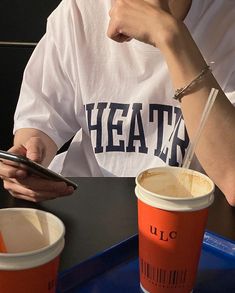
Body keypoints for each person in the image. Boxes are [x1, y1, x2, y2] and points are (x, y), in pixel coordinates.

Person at [0, 0, 235, 204]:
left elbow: (232, 181)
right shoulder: (78, 10)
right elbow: (42, 120)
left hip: (186, 219)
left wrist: (170, 36)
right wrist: (31, 160)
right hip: (87, 204)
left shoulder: (226, 21)